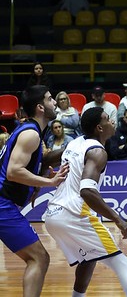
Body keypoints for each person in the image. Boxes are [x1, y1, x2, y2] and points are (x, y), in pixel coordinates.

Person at [43, 107, 127, 297]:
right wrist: (118, 219)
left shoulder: (75, 143)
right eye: (108, 119)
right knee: (121, 263)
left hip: (52, 215)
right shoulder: (98, 152)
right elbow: (87, 191)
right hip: (74, 214)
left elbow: (47, 158)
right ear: (99, 128)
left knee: (88, 257)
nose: (112, 122)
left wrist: (39, 178)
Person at [0, 85, 70, 297]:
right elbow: (13, 171)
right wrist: (51, 182)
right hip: (3, 205)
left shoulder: (31, 131)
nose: (55, 102)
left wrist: (72, 148)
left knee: (38, 258)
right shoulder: (31, 134)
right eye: (50, 99)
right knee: (38, 257)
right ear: (40, 107)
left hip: (4, 204)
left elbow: (35, 161)